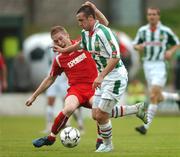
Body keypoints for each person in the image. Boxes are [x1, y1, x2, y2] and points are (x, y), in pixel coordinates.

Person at [25, 1, 147, 152]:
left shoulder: (96, 36)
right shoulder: (69, 50)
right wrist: (34, 96)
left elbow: (105, 25)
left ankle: (102, 141)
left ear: (67, 35)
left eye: (60, 39)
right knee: (71, 108)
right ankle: (50, 137)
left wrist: (95, 9)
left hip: (97, 83)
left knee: (100, 114)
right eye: (55, 41)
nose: (59, 42)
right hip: (76, 89)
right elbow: (50, 78)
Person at [133, 7, 180, 135]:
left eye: (154, 14)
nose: (151, 16)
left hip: (160, 65)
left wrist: (170, 51)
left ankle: (145, 127)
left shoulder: (165, 31)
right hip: (147, 65)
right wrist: (139, 46)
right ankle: (176, 97)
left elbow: (177, 43)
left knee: (153, 95)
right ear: (147, 16)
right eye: (149, 14)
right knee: (156, 96)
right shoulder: (142, 31)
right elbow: (134, 45)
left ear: (158, 16)